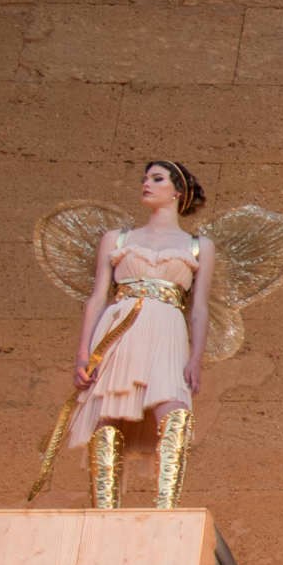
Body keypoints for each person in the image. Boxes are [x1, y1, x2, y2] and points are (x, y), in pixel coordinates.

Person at [66, 161, 215, 508]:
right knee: (109, 418)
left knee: (175, 414)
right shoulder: (117, 239)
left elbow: (200, 308)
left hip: (167, 328)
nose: (146, 184)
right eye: (145, 178)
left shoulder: (198, 246)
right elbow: (97, 296)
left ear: (177, 190)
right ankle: (105, 510)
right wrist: (83, 353)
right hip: (121, 325)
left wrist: (196, 357)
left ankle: (166, 510)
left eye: (157, 179)